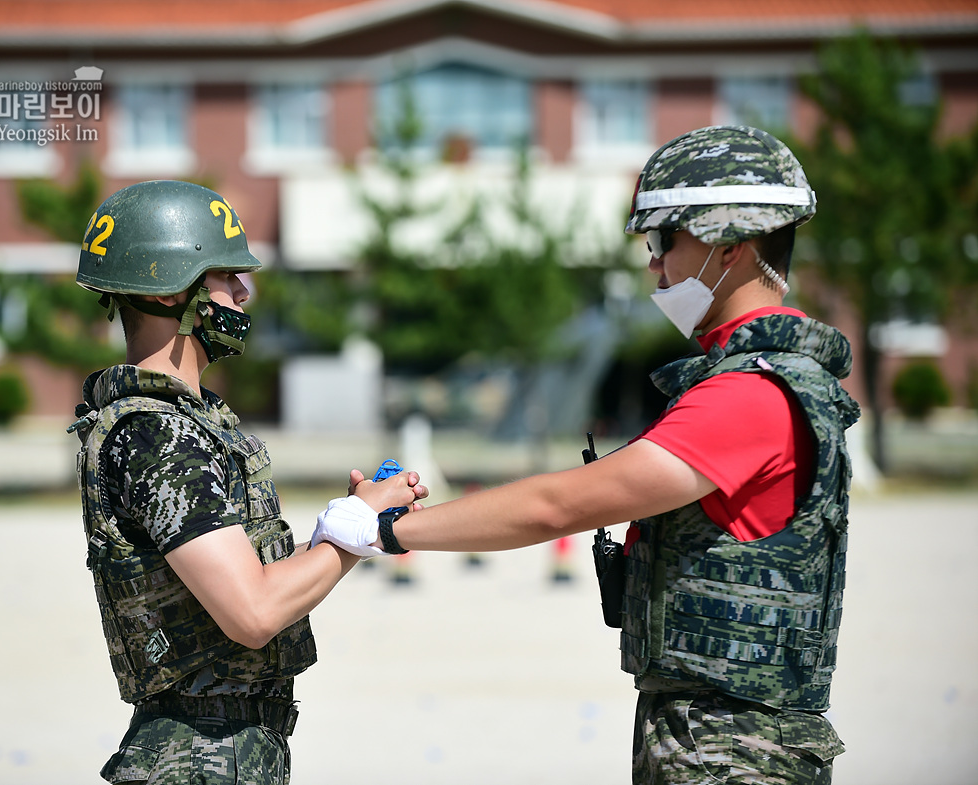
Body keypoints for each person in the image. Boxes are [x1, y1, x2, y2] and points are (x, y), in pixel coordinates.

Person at [313, 126, 861, 783]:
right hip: (719, 740)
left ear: (732, 247)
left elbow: (558, 505)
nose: (654, 265)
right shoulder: (764, 379)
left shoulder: (748, 396)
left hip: (736, 753)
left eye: (664, 242)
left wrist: (386, 528)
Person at [68, 180, 426, 785]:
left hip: (221, 748)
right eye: (226, 275)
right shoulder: (158, 436)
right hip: (201, 754)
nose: (242, 292)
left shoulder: (182, 420)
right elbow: (253, 611)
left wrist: (344, 526)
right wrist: (356, 530)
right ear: (173, 290)